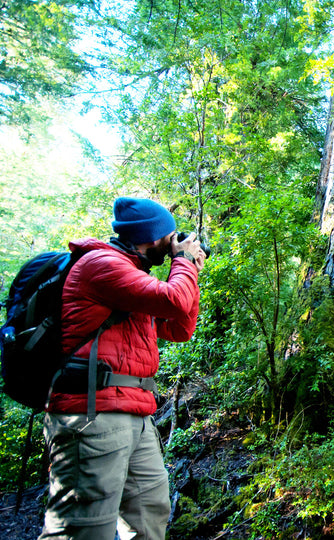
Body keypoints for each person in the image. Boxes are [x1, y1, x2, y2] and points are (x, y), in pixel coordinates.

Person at [39, 197, 207, 540]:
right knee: (84, 527)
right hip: (93, 413)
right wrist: (183, 261)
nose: (174, 243)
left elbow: (179, 327)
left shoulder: (134, 277)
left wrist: (191, 270)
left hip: (134, 414)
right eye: (171, 236)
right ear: (152, 236)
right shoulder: (101, 265)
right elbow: (173, 300)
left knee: (149, 515)